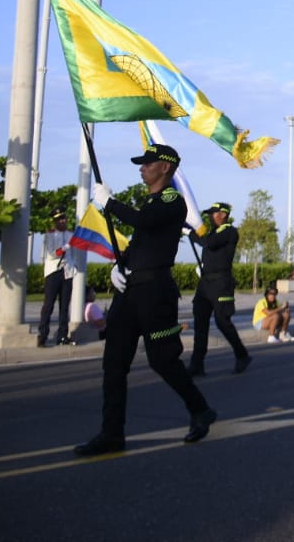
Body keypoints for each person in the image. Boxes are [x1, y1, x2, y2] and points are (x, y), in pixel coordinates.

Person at [74, 143, 216, 456]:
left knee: (162, 360)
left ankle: (200, 409)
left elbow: (144, 221)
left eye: (147, 163)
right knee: (113, 364)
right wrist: (119, 265)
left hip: (155, 295)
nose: (142, 168)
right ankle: (112, 434)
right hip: (130, 294)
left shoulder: (171, 200)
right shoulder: (152, 201)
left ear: (165, 167)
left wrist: (109, 203)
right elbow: (140, 244)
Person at [187, 202, 252, 376]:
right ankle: (197, 364)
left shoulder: (229, 231)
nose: (210, 216)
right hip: (206, 284)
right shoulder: (214, 232)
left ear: (223, 214)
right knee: (200, 323)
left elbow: (209, 243)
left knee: (222, 322)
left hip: (221, 284)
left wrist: (191, 233)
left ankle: (242, 355)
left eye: (213, 213)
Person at [37, 209, 74, 347]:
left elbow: (74, 252)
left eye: (64, 218)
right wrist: (65, 247)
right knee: (48, 305)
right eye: (59, 219)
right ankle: (43, 334)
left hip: (67, 272)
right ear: (55, 221)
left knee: (64, 306)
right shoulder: (49, 236)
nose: (63, 221)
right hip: (53, 272)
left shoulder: (72, 235)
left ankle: (63, 335)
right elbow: (52, 254)